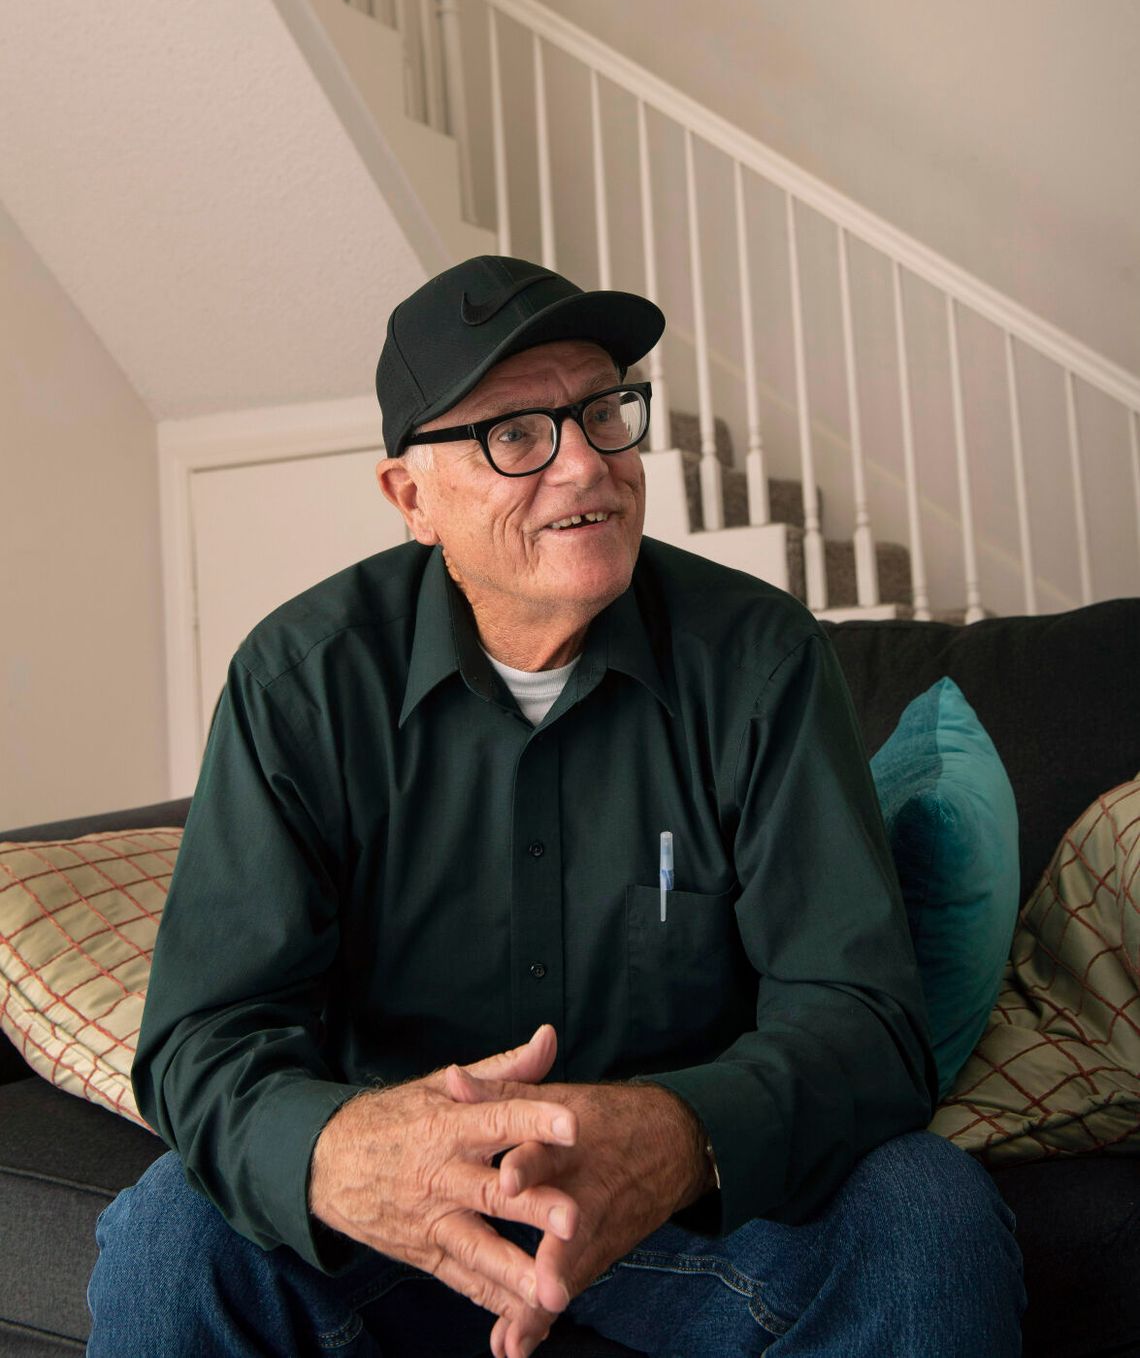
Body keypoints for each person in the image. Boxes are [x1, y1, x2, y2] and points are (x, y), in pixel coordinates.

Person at [88, 255, 1025, 1358]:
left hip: (685, 1222)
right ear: (411, 499)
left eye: (603, 412)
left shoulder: (760, 660)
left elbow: (862, 1016)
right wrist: (340, 1150)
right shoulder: (301, 683)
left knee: (923, 1207)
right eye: (516, 435)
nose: (585, 464)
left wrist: (678, 1133)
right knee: (170, 1231)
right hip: (400, 1226)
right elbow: (203, 1037)